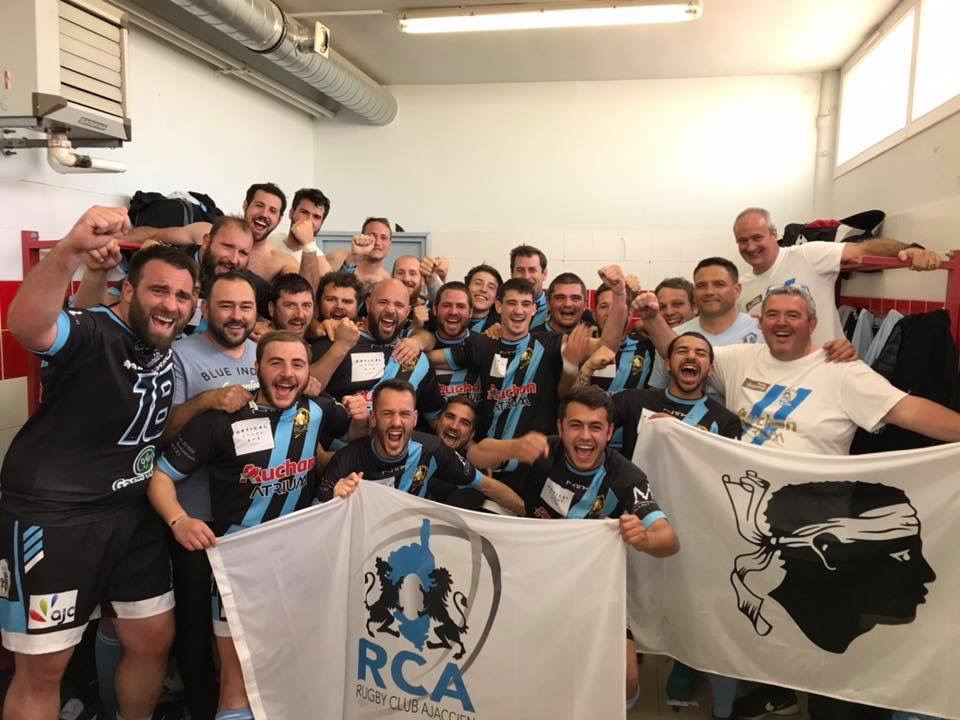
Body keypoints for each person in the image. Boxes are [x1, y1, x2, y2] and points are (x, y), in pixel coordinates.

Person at [636, 284, 960, 720]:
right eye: (772, 314)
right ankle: (768, 693)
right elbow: (681, 353)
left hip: (822, 527)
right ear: (760, 321)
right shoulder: (738, 359)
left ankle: (820, 699)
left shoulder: (842, 370)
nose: (781, 323)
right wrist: (651, 315)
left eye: (792, 315)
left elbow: (908, 411)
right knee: (747, 618)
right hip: (744, 519)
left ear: (812, 323)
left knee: (821, 631)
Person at [0, 207, 198, 720]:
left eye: (182, 296)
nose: (171, 304)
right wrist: (70, 250)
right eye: (158, 290)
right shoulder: (94, 331)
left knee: (153, 638)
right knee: (44, 669)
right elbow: (27, 326)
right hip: (56, 518)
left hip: (131, 513)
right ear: (128, 290)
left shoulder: (164, 340)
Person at [146, 331, 368, 720]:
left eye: (297, 364)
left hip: (300, 564)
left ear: (308, 373)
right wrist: (179, 520)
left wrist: (342, 479)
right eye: (276, 363)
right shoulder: (221, 420)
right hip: (239, 568)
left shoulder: (318, 409)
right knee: (236, 685)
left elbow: (355, 440)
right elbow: (159, 476)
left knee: (294, 674)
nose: (287, 373)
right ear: (257, 367)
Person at [469, 385, 679, 710]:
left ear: (609, 432)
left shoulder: (626, 477)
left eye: (595, 427)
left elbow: (669, 541)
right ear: (560, 428)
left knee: (627, 678)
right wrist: (512, 446)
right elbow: (475, 456)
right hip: (531, 575)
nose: (585, 436)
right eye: (576, 425)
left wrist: (645, 539)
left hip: (593, 589)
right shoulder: (542, 451)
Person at [427, 266, 628, 497]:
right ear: (499, 306)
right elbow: (430, 358)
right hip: (490, 464)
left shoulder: (551, 344)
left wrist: (619, 293)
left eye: (525, 304)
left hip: (538, 471)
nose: (518, 310)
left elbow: (607, 345)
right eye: (512, 303)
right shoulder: (481, 345)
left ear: (534, 309)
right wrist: (416, 341)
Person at [163, 271, 260, 719]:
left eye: (245, 306)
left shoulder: (263, 354)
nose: (236, 316)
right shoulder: (180, 355)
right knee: (197, 621)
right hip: (196, 516)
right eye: (226, 306)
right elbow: (161, 429)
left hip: (251, 515)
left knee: (243, 621)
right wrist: (207, 402)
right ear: (205, 308)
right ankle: (201, 707)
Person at [733, 207, 942, 345]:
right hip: (779, 382)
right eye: (743, 241)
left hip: (828, 372)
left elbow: (865, 247)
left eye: (757, 238)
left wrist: (910, 249)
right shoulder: (740, 288)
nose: (750, 247)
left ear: (773, 234)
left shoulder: (808, 255)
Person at [321, 380, 525, 516]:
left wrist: (531, 520)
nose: (396, 422)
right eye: (387, 414)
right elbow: (314, 519)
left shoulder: (432, 449)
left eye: (405, 414)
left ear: (415, 419)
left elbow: (486, 485)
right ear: (373, 419)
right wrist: (334, 502)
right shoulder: (347, 459)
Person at [126, 183, 318, 318]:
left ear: (279, 218)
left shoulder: (280, 262)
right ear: (246, 205)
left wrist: (309, 244)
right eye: (259, 205)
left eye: (272, 211)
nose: (264, 214)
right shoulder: (204, 231)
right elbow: (153, 234)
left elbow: (304, 296)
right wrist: (141, 252)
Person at [74, 215, 254, 338]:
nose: (234, 259)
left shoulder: (243, 284)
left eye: (243, 253)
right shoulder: (167, 264)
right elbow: (96, 309)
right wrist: (96, 273)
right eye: (227, 247)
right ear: (207, 241)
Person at [580, 332, 741, 459]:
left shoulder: (726, 421)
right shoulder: (632, 400)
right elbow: (583, 418)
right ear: (668, 364)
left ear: (711, 369)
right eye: (682, 351)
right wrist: (587, 369)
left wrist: (677, 431)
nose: (691, 356)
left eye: (700, 353)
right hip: (635, 489)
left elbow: (724, 472)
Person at [310, 279, 445, 428]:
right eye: (383, 302)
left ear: (408, 312)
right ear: (368, 304)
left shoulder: (417, 358)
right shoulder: (336, 339)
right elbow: (305, 389)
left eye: (399, 305)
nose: (390, 310)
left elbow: (436, 419)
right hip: (338, 440)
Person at [648, 257, 762, 397]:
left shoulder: (761, 330)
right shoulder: (673, 336)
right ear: (694, 292)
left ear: (737, 290)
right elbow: (657, 392)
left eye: (719, 284)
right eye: (702, 286)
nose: (709, 292)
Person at [583, 281, 656, 394]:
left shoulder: (646, 346)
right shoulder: (581, 346)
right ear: (594, 315)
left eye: (618, 306)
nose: (611, 312)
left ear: (630, 314)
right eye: (604, 306)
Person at [430, 282, 483, 405]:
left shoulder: (485, 344)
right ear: (435, 309)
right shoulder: (421, 345)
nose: (453, 312)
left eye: (460, 306)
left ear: (471, 312)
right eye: (446, 305)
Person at [326, 216, 394, 292]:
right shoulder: (337, 257)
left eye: (383, 238)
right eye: (372, 236)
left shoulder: (386, 281)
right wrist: (354, 257)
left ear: (389, 244)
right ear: (362, 237)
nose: (378, 242)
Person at [273, 187, 331, 269]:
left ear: (321, 223)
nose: (309, 220)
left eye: (316, 217)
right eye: (304, 212)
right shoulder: (273, 239)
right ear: (291, 213)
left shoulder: (321, 264)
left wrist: (308, 243)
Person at [509, 244, 550, 330]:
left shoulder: (556, 309)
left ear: (544, 274)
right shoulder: (498, 308)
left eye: (532, 270)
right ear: (512, 274)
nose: (526, 277)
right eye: (520, 270)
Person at [268, 272, 315, 338]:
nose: (300, 315)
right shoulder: (256, 341)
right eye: (290, 306)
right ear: (271, 308)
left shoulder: (319, 341)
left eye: (306, 306)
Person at [464, 263, 502, 333]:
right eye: (478, 283)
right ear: (467, 287)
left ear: (496, 298)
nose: (483, 289)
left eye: (491, 287)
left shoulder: (500, 329)